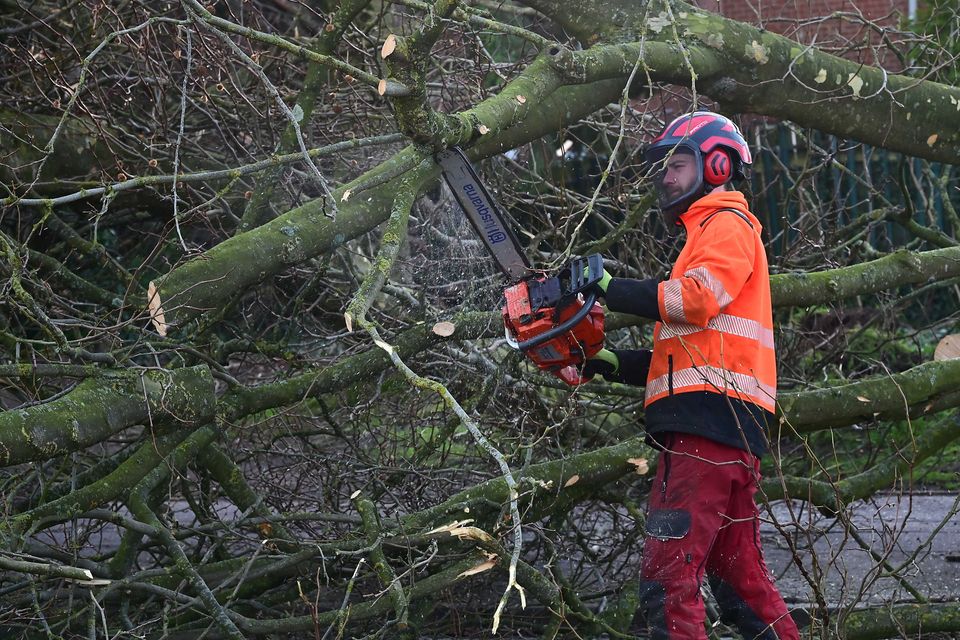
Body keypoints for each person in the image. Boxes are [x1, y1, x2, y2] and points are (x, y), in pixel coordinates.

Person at [582, 111, 800, 640]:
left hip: (707, 432)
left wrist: (610, 286)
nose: (667, 178)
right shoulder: (703, 236)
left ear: (719, 164)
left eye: (678, 165)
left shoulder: (727, 224)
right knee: (738, 580)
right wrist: (608, 363)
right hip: (722, 427)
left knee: (668, 576)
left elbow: (696, 302)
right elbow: (689, 351)